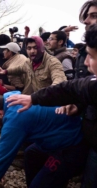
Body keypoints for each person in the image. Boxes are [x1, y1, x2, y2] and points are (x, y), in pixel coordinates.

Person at [6, 23, 97, 188]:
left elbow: (62, 84)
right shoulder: (28, 63)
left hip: (59, 120)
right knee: (32, 152)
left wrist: (38, 99)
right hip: (46, 109)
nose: (85, 63)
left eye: (91, 56)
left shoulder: (54, 61)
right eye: (29, 48)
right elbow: (76, 90)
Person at [0, 92, 88, 188]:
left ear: (0, 113)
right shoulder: (10, 99)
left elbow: (2, 157)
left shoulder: (15, 119)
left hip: (71, 146)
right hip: (59, 137)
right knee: (31, 153)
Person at [0, 36, 67, 93]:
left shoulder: (52, 62)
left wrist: (47, 93)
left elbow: (59, 80)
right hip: (35, 99)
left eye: (35, 48)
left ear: (41, 48)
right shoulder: (29, 62)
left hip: (49, 101)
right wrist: (5, 71)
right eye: (29, 48)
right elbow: (20, 68)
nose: (32, 51)